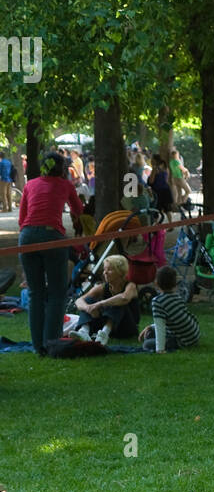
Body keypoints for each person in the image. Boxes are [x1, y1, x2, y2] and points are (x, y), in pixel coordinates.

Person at [17, 151, 84, 355]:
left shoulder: (30, 184)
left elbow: (22, 218)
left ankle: (38, 347)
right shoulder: (66, 185)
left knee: (35, 293)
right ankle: (52, 343)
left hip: (27, 237)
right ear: (62, 168)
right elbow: (78, 210)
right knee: (57, 293)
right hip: (52, 236)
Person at [70, 255, 139, 344]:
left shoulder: (131, 286)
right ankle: (84, 331)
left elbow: (124, 298)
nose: (105, 273)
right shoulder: (102, 287)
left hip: (126, 328)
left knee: (117, 301)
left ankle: (105, 333)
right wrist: (88, 308)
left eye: (109, 269)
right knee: (88, 301)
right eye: (104, 269)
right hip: (107, 328)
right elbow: (79, 300)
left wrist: (100, 304)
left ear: (120, 272)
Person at [139, 265, 201, 352]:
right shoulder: (177, 297)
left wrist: (160, 349)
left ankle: (163, 345)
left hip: (183, 340)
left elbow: (160, 327)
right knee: (150, 333)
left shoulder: (157, 302)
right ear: (175, 283)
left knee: (147, 344)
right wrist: (150, 327)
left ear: (156, 283)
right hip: (193, 335)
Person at [147, 154, 173, 221]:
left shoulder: (155, 169)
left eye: (152, 159)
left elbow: (151, 181)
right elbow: (166, 180)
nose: (151, 160)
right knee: (167, 209)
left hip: (158, 191)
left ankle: (157, 227)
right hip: (166, 190)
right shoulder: (165, 168)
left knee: (156, 209)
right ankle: (171, 224)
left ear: (155, 160)